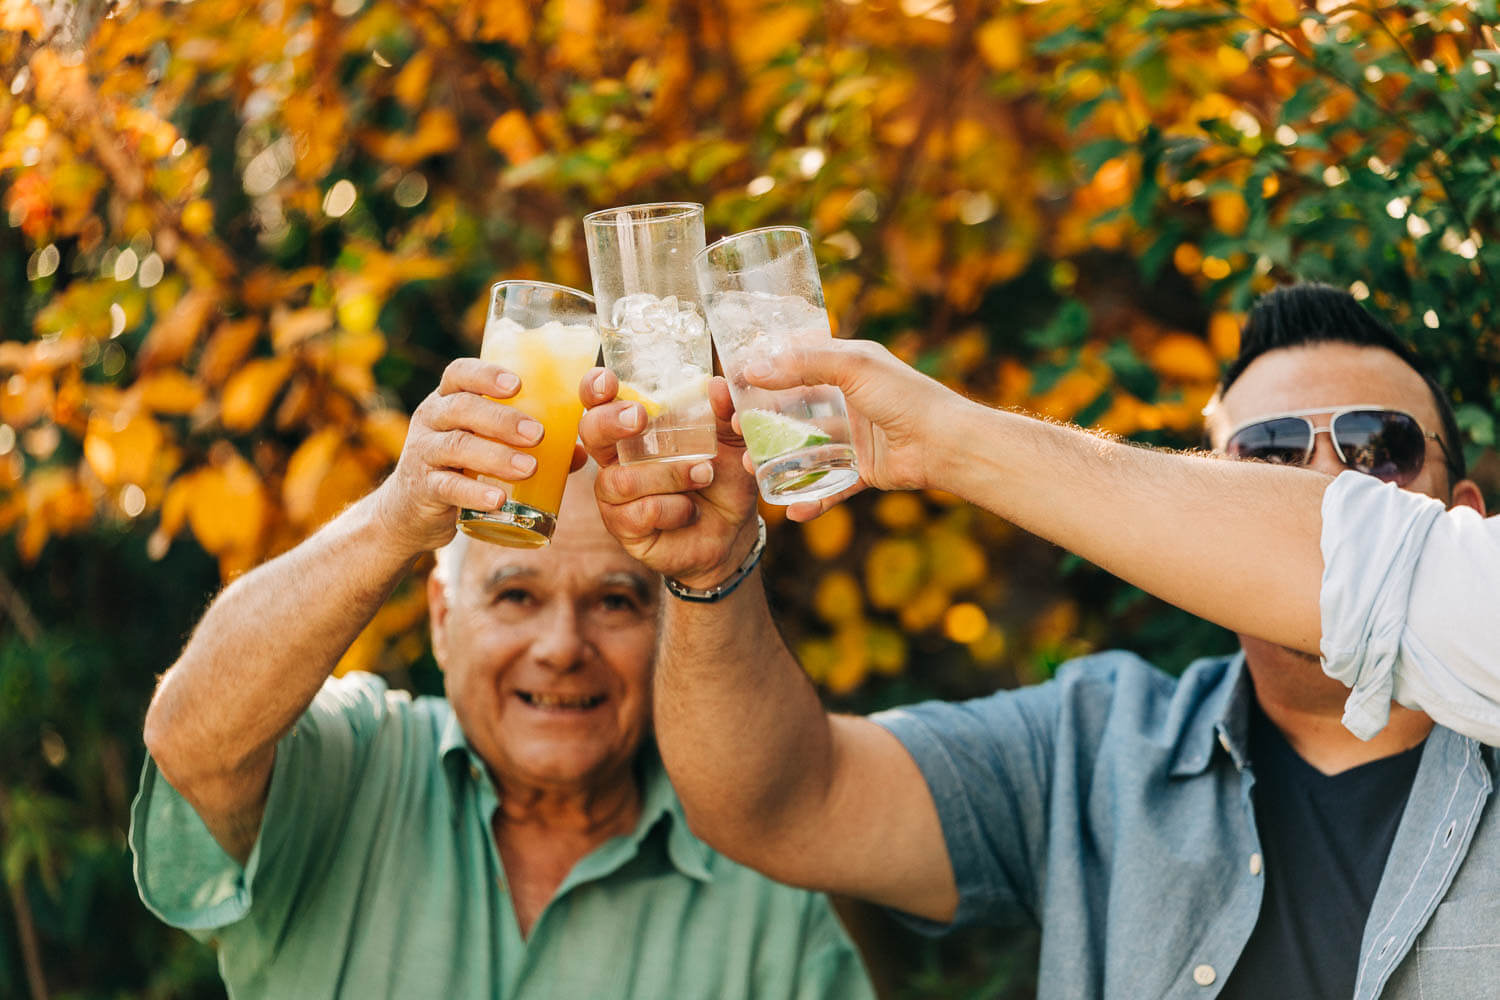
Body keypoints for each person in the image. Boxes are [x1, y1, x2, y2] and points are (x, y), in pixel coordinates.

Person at [577, 282, 1499, 1000]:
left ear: (1462, 514)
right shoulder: (1096, 748)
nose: (1329, 487)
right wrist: (711, 574)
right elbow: (779, 804)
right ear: (1201, 514)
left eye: (1380, 447)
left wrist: (947, 438)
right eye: (1268, 461)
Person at [128, 358, 875, 999]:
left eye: (615, 602)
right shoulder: (352, 765)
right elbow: (190, 740)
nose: (561, 647)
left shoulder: (766, 879)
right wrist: (395, 518)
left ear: (666, 631)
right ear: (440, 618)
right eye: (517, 595)